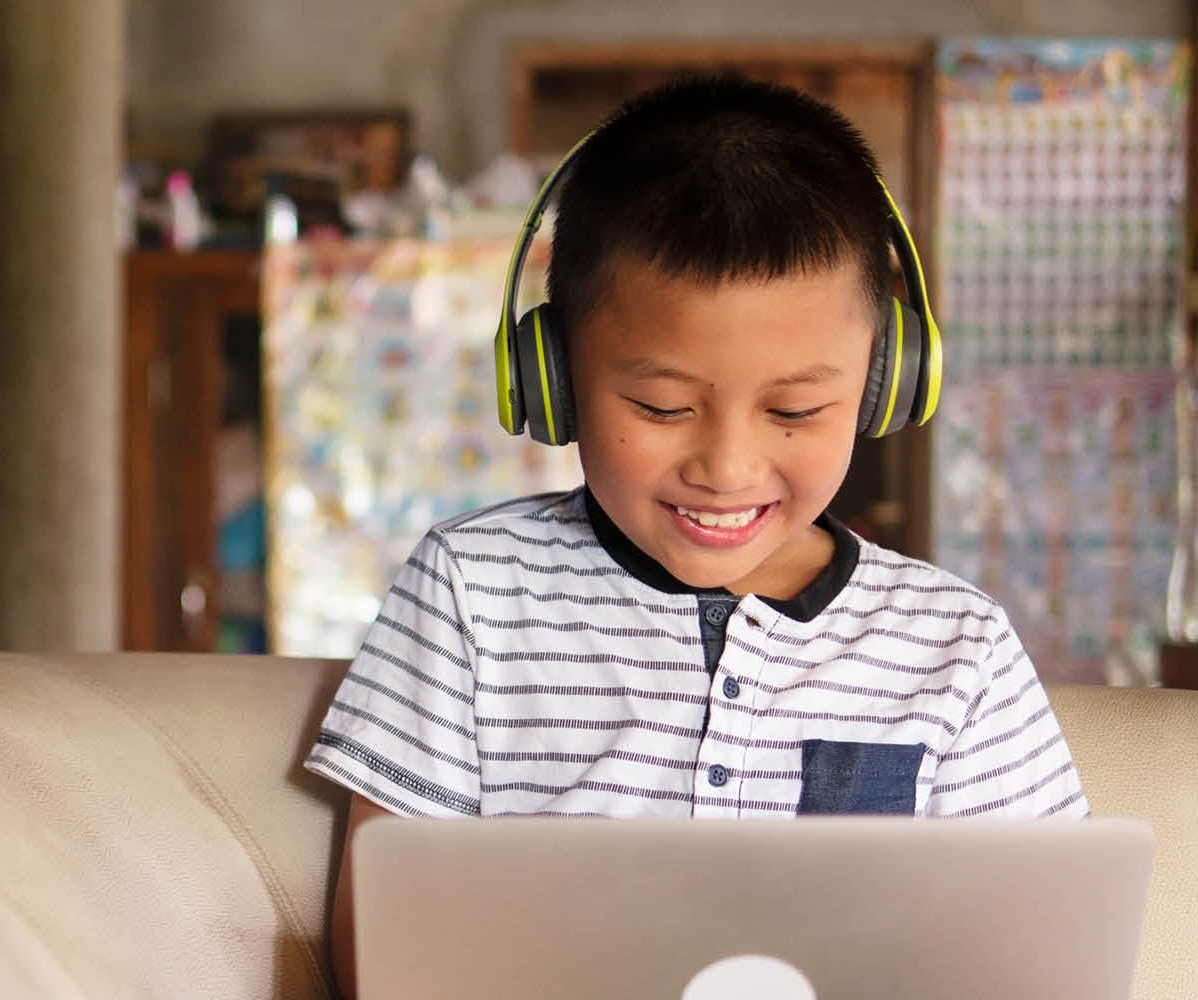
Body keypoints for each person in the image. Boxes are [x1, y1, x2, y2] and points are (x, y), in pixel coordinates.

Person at [302, 77, 1088, 998]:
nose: (727, 466)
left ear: (884, 384)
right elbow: (385, 948)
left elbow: (1044, 961)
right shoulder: (474, 593)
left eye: (794, 409)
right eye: (661, 406)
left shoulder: (959, 648)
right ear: (550, 376)